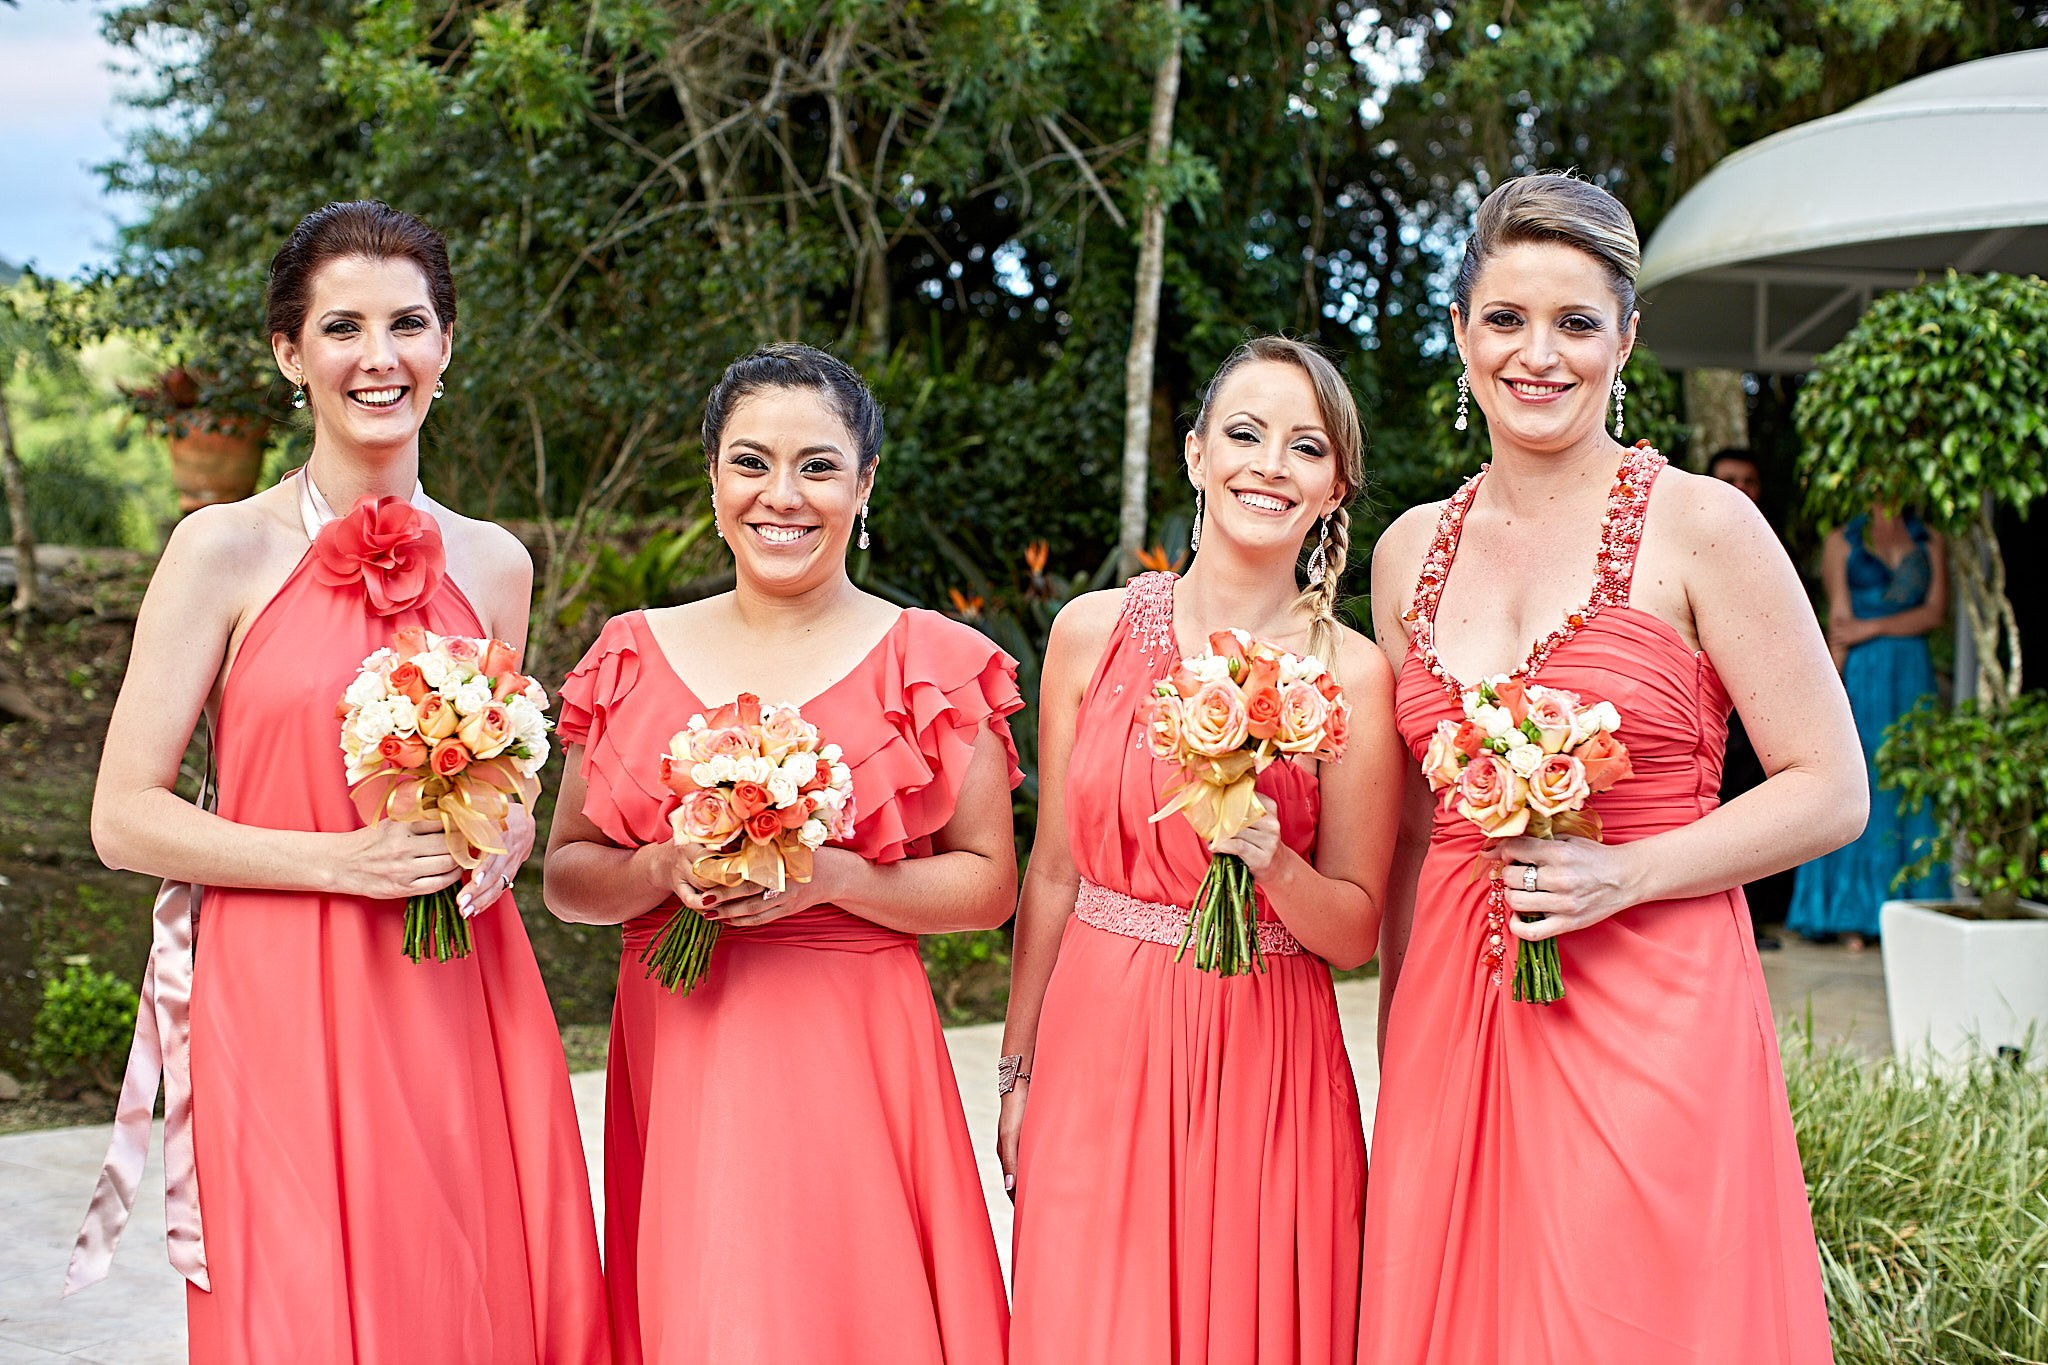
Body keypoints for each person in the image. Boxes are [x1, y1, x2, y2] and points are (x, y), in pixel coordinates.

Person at [83, 201, 608, 1363]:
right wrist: (340, 863)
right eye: (342, 327)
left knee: (459, 1289)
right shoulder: (219, 549)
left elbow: (503, 773)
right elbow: (122, 817)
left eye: (408, 324)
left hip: (454, 983)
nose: (380, 357)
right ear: (289, 354)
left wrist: (510, 830)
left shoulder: (495, 562)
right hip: (275, 983)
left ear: (446, 345)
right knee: (300, 1304)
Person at [1363, 172, 1865, 1364]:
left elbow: (1828, 787)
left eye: (1575, 323)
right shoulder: (1404, 552)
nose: (1537, 355)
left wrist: (1624, 874)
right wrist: (1398, 1032)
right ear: (1460, 335)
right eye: (1505, 319)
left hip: (1652, 997)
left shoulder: (1703, 527)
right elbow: (1412, 832)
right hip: (1451, 1013)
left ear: (1624, 341)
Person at [543, 343, 1018, 1365]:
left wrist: (832, 877)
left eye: (818, 466)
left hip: (853, 1057)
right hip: (685, 1051)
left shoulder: (934, 661)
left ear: (864, 484)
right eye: (751, 462)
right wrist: (656, 870)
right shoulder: (628, 654)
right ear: (712, 479)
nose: (782, 495)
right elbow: (567, 878)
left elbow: (988, 887)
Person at [1002, 336, 1405, 1365]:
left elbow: (1355, 929)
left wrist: (1274, 860)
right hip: (1097, 1046)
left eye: (1305, 447)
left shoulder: (1355, 676)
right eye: (1245, 434)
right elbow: (1052, 871)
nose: (1270, 465)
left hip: (1266, 1058)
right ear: (1194, 454)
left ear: (1335, 487)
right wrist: (1016, 1073)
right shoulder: (1088, 632)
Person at [1786, 507, 1947, 948]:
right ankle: (1848, 914)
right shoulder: (1841, 539)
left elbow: (1934, 613)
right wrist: (1826, 691)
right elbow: (1840, 622)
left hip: (1911, 675)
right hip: (1863, 673)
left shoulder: (1930, 538)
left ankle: (1912, 910)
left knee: (1912, 783)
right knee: (1858, 780)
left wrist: (1871, 626)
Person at [1707, 447, 1793, 946]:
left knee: (1761, 800)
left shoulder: (1776, 543)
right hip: (1703, 702)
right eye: (1729, 479)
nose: (1739, 489)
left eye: (1749, 480)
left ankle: (1757, 917)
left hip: (1763, 699)